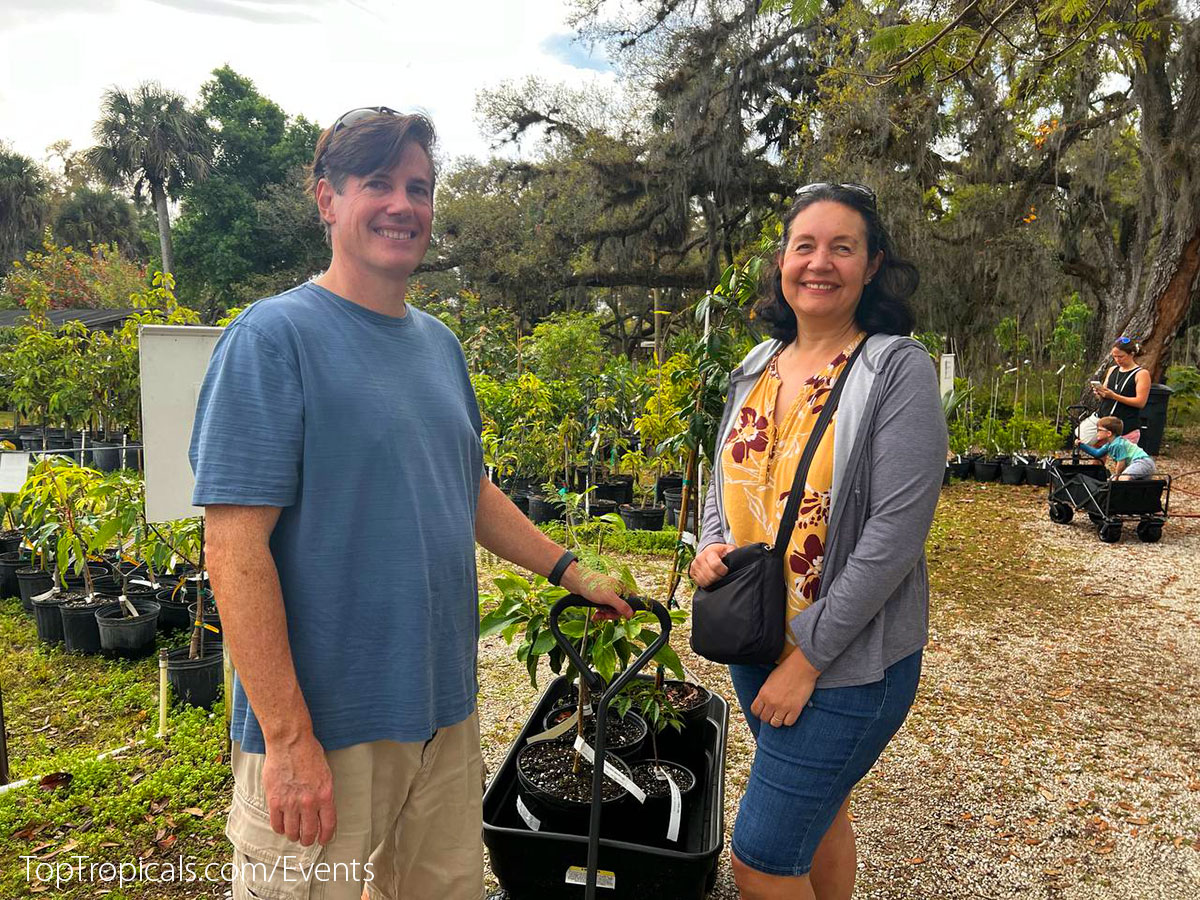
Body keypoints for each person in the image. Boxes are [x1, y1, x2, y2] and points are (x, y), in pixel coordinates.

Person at [189, 108, 631, 900]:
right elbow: (233, 550)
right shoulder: (272, 338)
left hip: (441, 716)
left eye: (418, 187)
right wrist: (288, 741)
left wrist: (570, 570)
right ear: (327, 200)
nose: (403, 204)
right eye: (378, 183)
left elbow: (467, 489)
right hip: (325, 730)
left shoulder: (439, 346)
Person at [690, 183, 946, 900]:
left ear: (872, 266)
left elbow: (896, 534)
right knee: (819, 813)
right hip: (756, 635)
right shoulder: (755, 366)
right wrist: (710, 547)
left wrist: (808, 659)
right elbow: (726, 485)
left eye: (843, 247)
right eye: (805, 245)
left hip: (844, 663)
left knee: (764, 856)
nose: (820, 262)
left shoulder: (897, 369)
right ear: (783, 262)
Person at [1080, 337, 1151, 445]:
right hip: (1105, 419)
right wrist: (1100, 393)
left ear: (1131, 354)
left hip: (1126, 422)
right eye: (1115, 357)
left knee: (1121, 458)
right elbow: (1105, 393)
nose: (1118, 360)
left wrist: (1114, 396)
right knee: (1095, 453)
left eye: (1121, 356)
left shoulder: (1141, 374)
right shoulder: (1113, 370)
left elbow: (1140, 402)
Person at [1075, 416, 1156, 479]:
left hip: (1142, 462)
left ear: (1109, 433)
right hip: (1140, 463)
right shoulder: (1109, 444)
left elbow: (1121, 463)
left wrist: (1116, 476)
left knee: (1123, 478)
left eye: (1099, 430)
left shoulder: (1117, 444)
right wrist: (1081, 445)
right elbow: (1097, 453)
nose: (1097, 433)